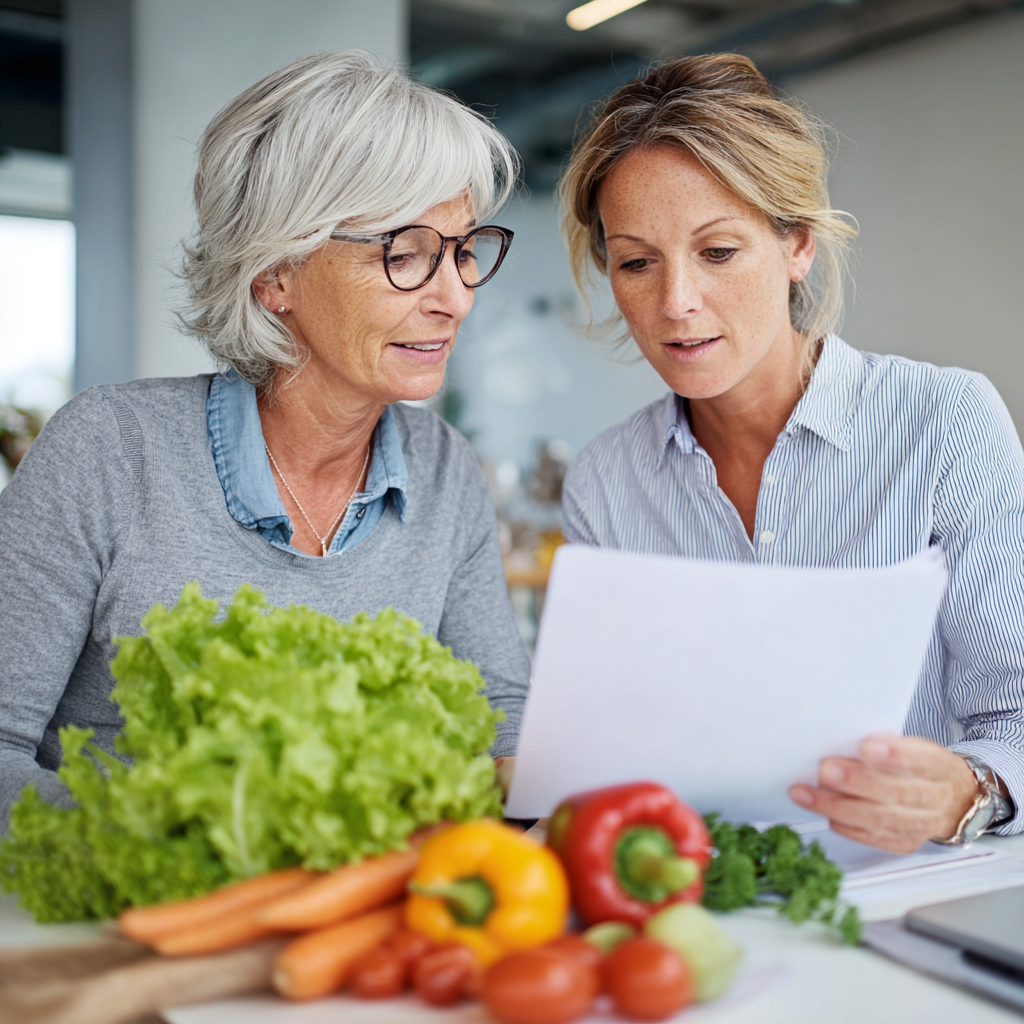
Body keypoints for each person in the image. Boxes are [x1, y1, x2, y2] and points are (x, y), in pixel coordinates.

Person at [0, 52, 529, 829]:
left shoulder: (441, 464)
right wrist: (182, 859)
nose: (454, 298)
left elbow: (500, 716)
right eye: (405, 255)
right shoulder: (110, 449)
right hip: (119, 934)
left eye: (462, 253)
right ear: (275, 273)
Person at [559, 53, 1024, 853]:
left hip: (908, 889)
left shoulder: (943, 422)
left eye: (718, 252)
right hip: (697, 905)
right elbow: (614, 746)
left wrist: (972, 789)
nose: (676, 303)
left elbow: (1016, 710)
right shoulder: (606, 480)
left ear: (798, 245)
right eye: (637, 262)